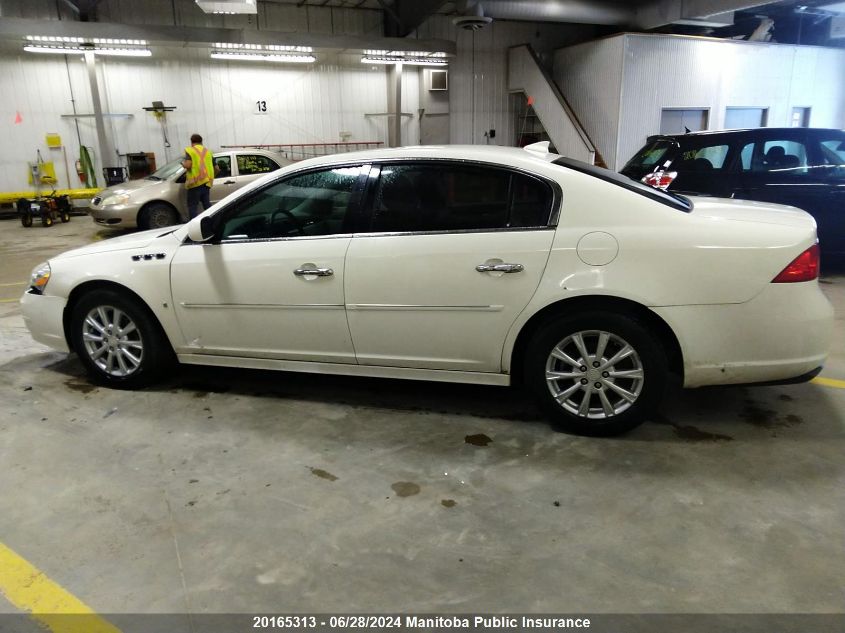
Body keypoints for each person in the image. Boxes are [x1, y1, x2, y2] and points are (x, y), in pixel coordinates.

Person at [182, 133, 215, 219]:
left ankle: (193, 227)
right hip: (207, 183)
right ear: (201, 142)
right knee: (207, 205)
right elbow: (217, 168)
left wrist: (183, 164)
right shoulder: (208, 152)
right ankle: (213, 222)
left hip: (195, 184)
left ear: (191, 142)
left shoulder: (190, 151)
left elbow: (188, 165)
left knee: (193, 207)